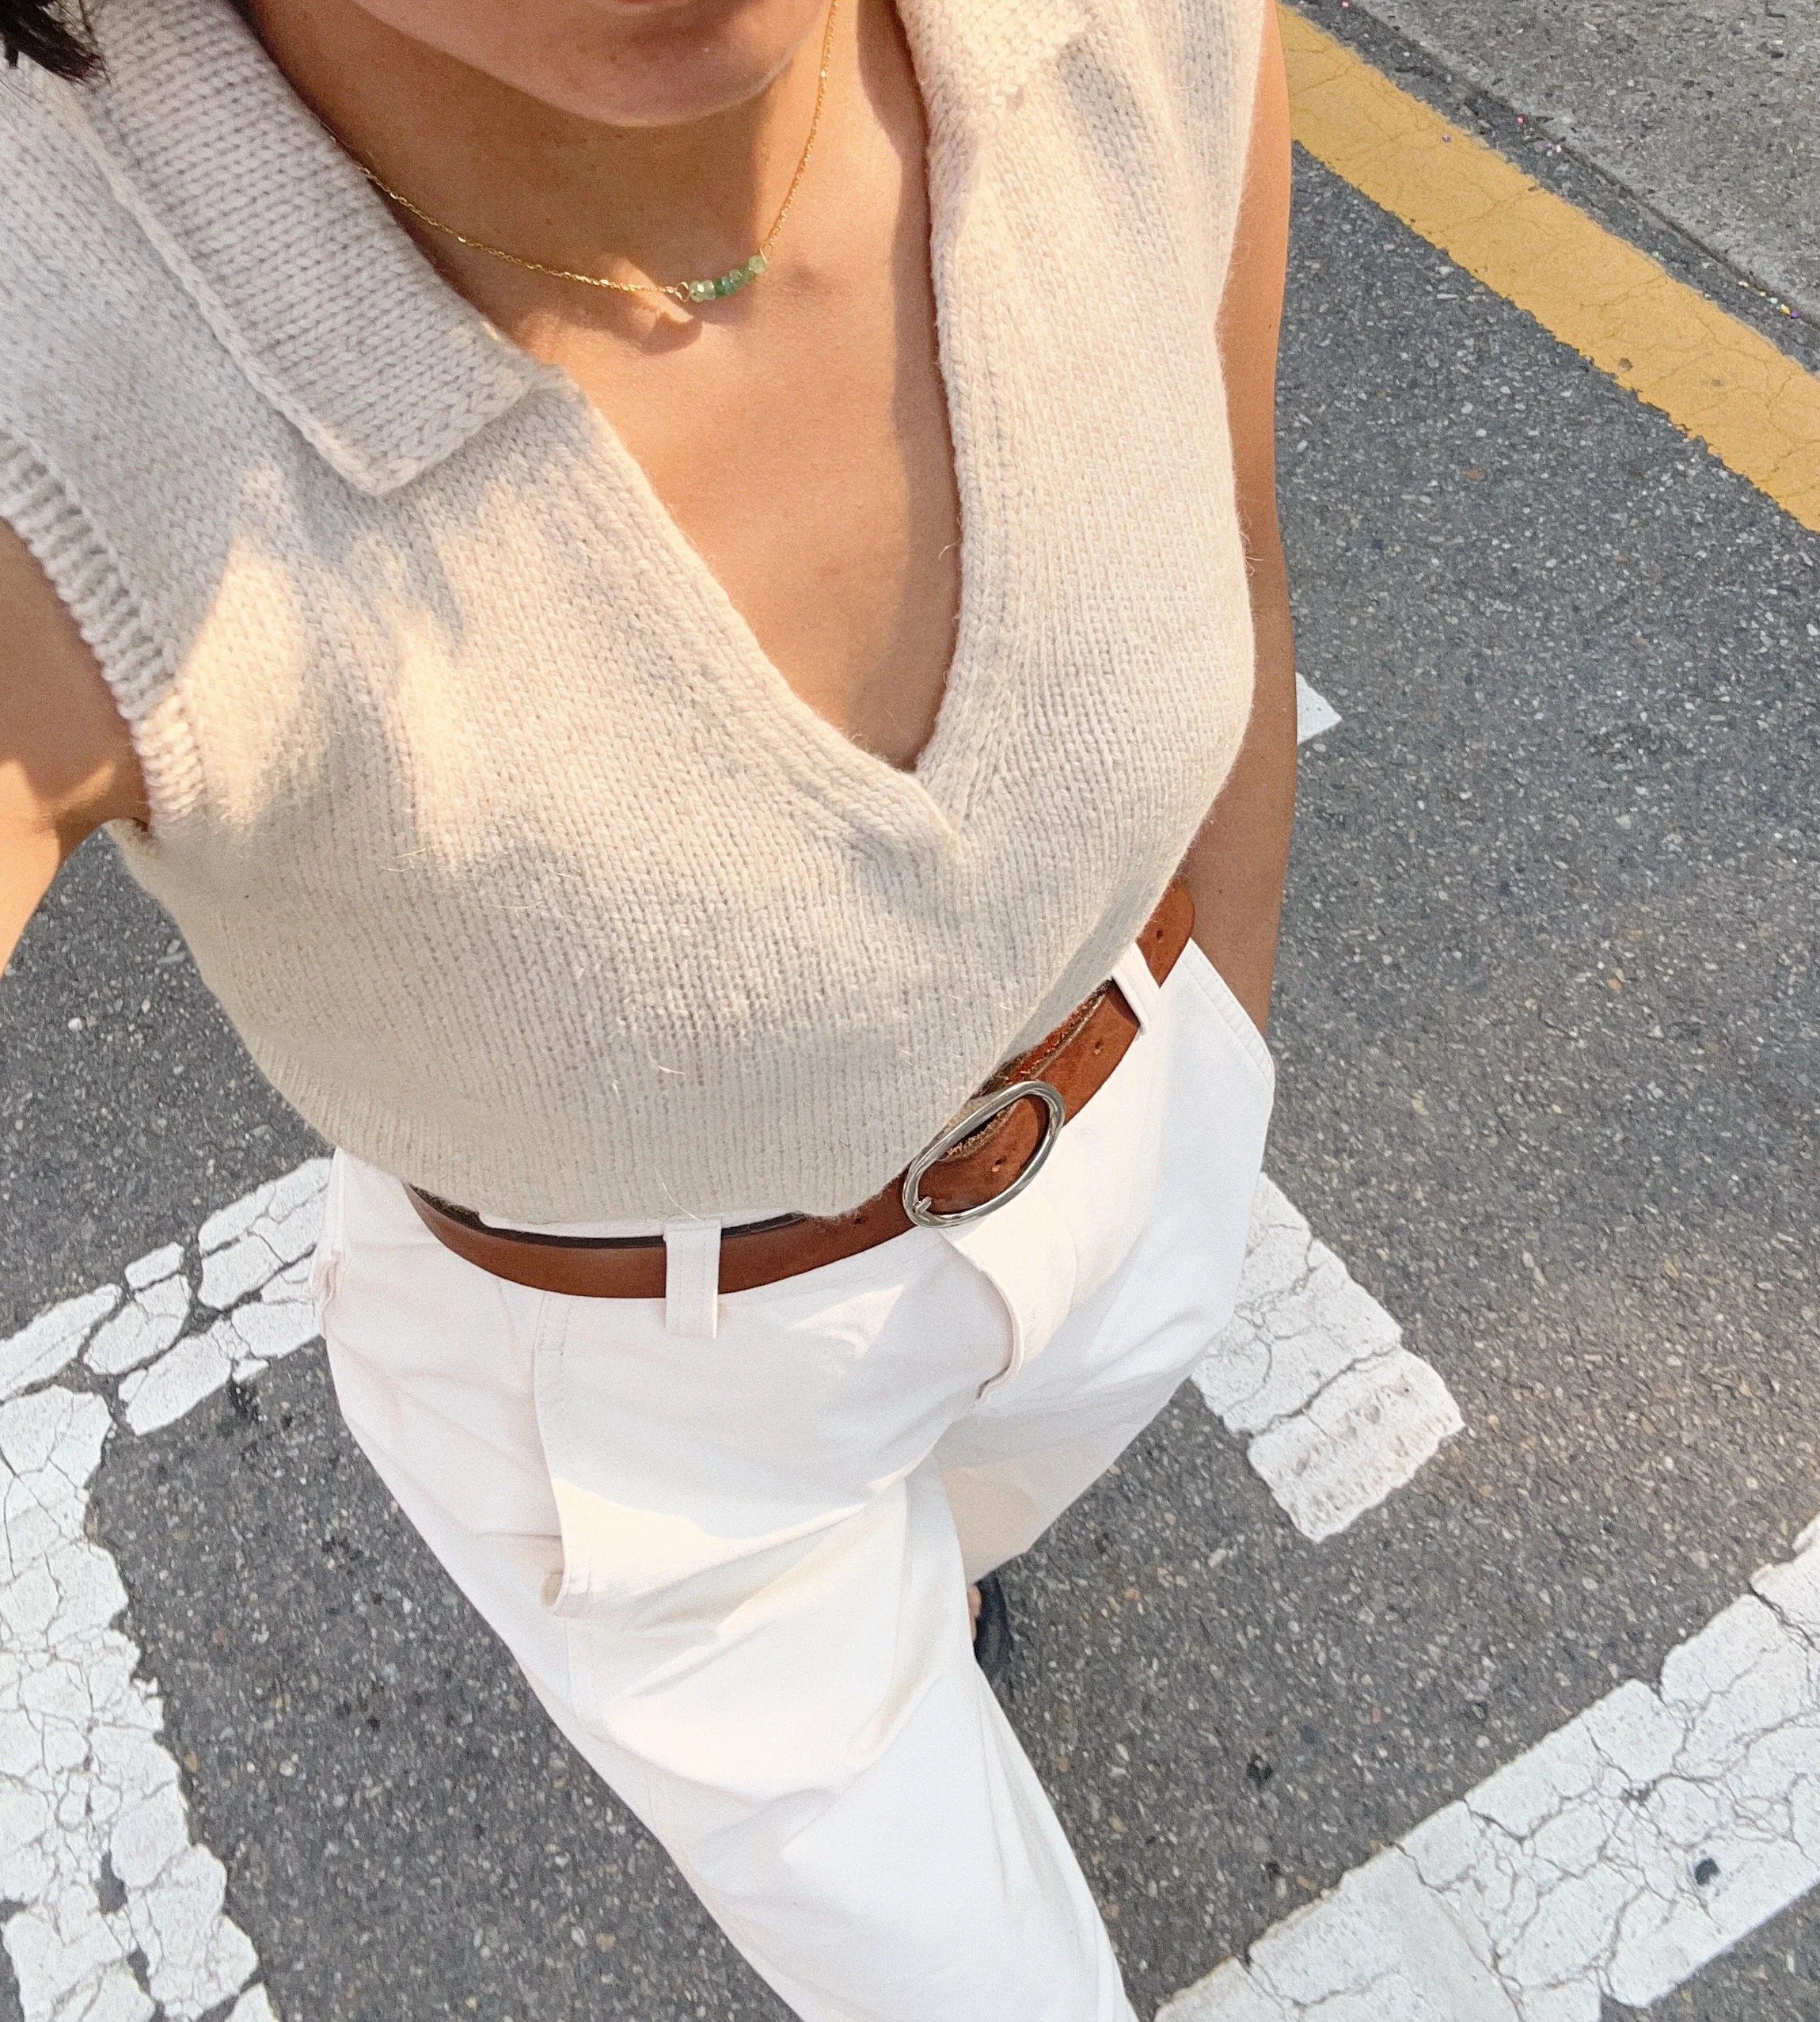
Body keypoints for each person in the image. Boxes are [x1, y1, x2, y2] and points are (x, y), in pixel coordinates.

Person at [0, 0, 1295, 2010]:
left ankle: (947, 1570)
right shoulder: (58, 372)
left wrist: (1214, 1032)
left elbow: (1245, 545)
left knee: (981, 1521)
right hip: (668, 1460)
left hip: (1139, 1156)